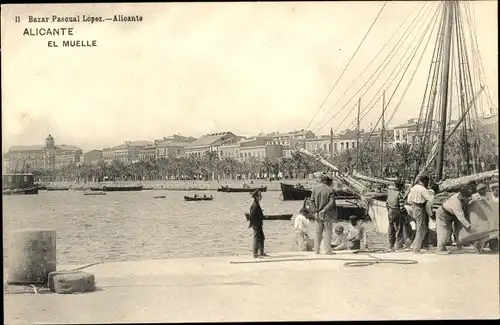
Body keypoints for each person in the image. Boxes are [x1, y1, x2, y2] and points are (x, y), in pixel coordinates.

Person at [435, 185, 475, 255]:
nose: (467, 198)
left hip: (452, 215)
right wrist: (469, 226)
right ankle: (439, 250)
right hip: (443, 214)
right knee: (444, 232)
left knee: (458, 230)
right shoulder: (456, 202)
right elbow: (461, 217)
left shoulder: (463, 197)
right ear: (462, 195)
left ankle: (458, 245)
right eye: (466, 197)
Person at [311, 173, 337, 255]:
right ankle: (328, 251)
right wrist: (324, 209)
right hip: (327, 214)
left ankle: (316, 250)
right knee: (327, 233)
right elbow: (331, 202)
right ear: (329, 181)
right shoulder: (330, 190)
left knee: (317, 233)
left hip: (317, 214)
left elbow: (311, 201)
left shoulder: (315, 189)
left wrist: (315, 211)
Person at [407, 175, 433, 253]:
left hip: (414, 207)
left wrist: (413, 205)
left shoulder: (413, 188)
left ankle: (414, 244)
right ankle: (416, 248)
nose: (427, 183)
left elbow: (409, 200)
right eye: (427, 181)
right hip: (420, 207)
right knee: (420, 228)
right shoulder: (423, 189)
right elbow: (429, 199)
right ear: (424, 181)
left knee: (422, 228)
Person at [386, 179, 407, 251]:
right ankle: (398, 246)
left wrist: (389, 211)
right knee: (398, 229)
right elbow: (402, 207)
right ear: (401, 186)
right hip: (397, 212)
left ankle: (390, 245)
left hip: (390, 212)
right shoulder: (399, 194)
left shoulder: (390, 193)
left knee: (391, 229)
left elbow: (386, 203)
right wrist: (405, 213)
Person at [248, 189, 267, 258]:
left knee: (262, 237)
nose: (261, 197)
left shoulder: (256, 204)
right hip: (256, 224)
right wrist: (251, 224)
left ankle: (261, 252)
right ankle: (255, 254)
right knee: (256, 238)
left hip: (258, 224)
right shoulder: (255, 205)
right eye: (259, 195)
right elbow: (252, 215)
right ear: (256, 196)